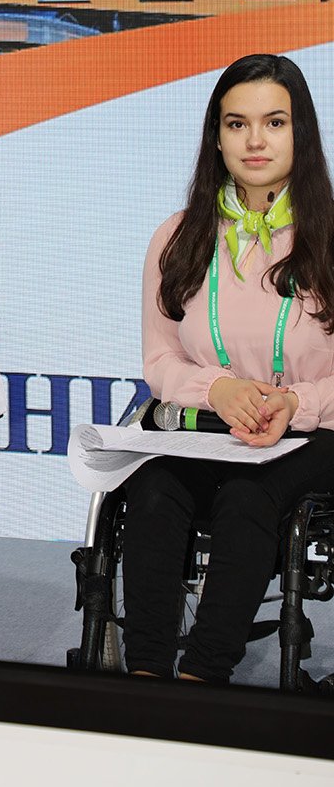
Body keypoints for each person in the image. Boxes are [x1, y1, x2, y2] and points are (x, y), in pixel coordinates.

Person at [121, 53, 334, 683]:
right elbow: (160, 359)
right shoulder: (178, 236)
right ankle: (145, 677)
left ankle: (203, 678)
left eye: (274, 122)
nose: (255, 141)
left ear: (301, 132)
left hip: (314, 432)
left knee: (249, 495)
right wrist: (218, 388)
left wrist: (295, 403)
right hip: (210, 427)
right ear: (217, 136)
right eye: (237, 124)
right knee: (152, 487)